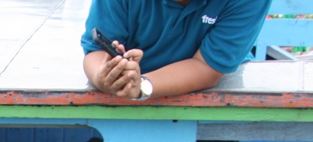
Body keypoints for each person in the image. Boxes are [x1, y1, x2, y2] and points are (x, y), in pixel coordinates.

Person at [81, 0, 271, 100]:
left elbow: (207, 66)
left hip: (213, 98)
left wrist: (142, 85)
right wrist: (103, 77)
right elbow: (96, 51)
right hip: (127, 96)